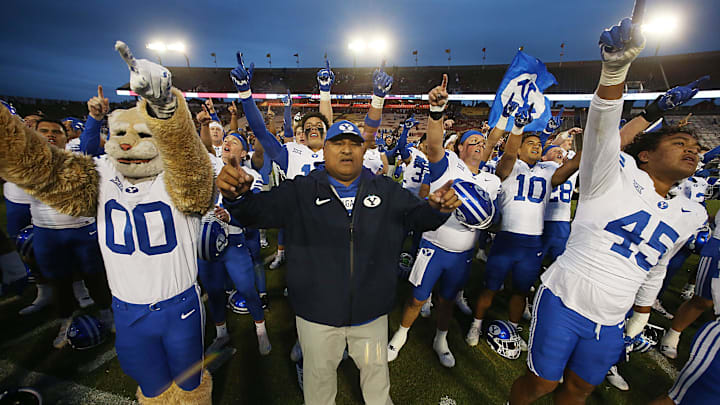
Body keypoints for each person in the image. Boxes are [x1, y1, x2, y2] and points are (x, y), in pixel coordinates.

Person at [509, 18, 707, 404]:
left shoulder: (692, 213)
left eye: (696, 148)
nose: (692, 150)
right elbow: (602, 129)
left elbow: (658, 264)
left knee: (580, 389)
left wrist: (641, 316)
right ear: (645, 155)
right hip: (566, 298)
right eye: (680, 141)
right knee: (543, 384)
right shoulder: (614, 174)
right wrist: (615, 70)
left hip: (612, 318)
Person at [216, 118, 460, 405]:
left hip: (370, 318)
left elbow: (419, 219)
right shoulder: (300, 191)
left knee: (375, 377)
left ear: (363, 150)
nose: (346, 150)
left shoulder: (385, 190)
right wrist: (235, 198)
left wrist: (437, 210)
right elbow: (255, 212)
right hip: (317, 319)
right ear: (325, 150)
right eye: (338, 143)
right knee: (319, 387)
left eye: (353, 144)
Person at [387, 74, 501, 368]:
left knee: (448, 300)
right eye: (471, 141)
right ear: (461, 148)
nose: (477, 145)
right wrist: (436, 112)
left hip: (462, 253)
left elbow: (490, 219)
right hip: (433, 246)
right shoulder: (449, 163)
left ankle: (440, 339)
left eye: (481, 142)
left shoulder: (489, 179)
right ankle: (401, 335)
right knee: (417, 297)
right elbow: (435, 145)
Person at [466, 101, 580, 352]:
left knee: (520, 292)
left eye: (539, 144)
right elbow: (507, 155)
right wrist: (517, 128)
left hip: (532, 243)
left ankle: (513, 328)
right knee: (491, 287)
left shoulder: (549, 170)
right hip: (507, 239)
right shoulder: (509, 165)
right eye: (531, 143)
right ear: (519, 149)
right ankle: (476, 323)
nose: (537, 146)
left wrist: (597, 135)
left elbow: (572, 166)